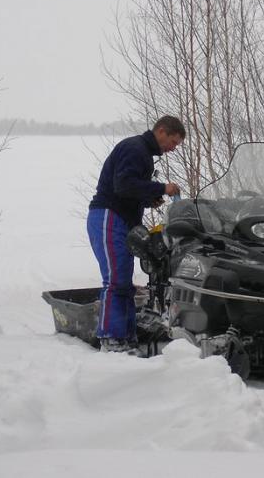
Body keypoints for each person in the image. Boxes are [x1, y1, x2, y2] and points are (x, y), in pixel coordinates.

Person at [87, 116, 185, 353]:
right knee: (115, 279)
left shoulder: (144, 155)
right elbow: (123, 185)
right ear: (161, 131)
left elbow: (130, 189)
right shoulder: (135, 148)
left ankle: (127, 336)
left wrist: (150, 199)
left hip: (123, 220)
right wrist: (161, 188)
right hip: (108, 218)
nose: (173, 148)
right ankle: (111, 338)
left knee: (125, 281)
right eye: (173, 142)